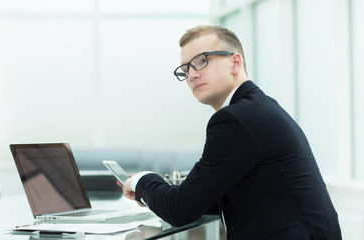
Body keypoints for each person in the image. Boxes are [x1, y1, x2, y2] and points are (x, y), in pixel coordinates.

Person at [120, 25, 342, 239]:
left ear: (235, 63)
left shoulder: (235, 119)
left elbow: (181, 210)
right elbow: (212, 196)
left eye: (201, 61)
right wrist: (160, 194)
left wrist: (141, 181)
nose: (191, 75)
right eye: (186, 69)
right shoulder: (258, 107)